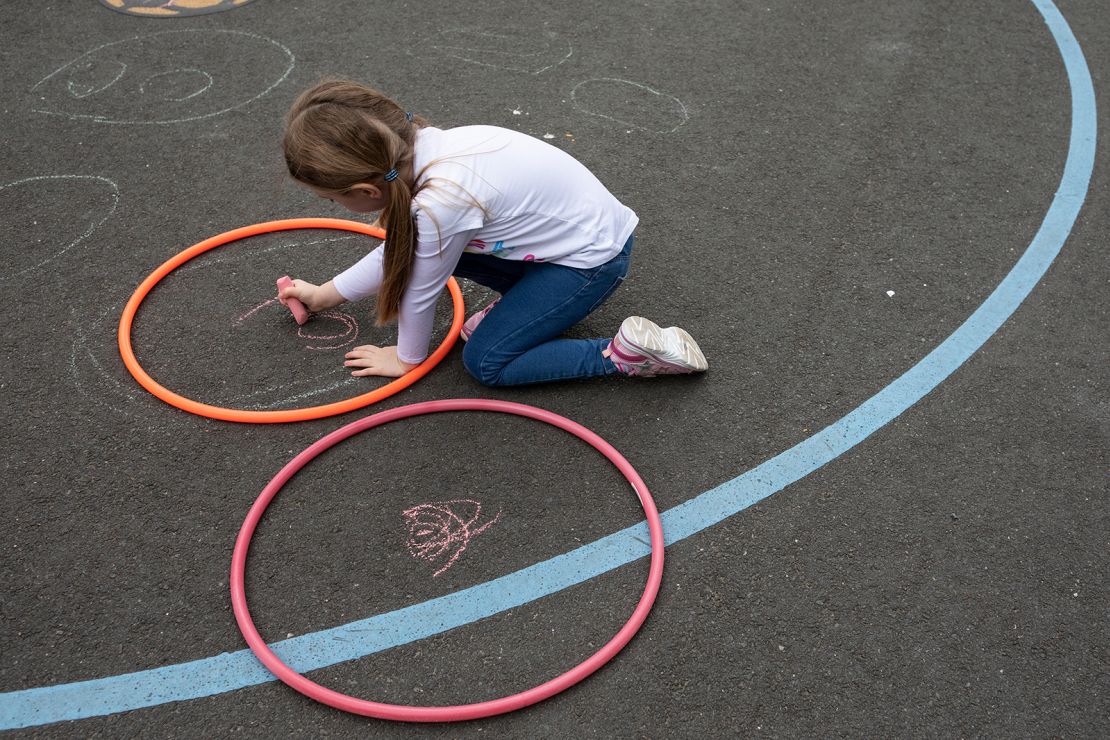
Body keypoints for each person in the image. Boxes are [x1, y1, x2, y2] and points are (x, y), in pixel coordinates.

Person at [279, 80, 708, 386]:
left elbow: (419, 290)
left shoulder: (440, 203)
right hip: (568, 243)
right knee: (420, 249)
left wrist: (406, 359)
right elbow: (400, 254)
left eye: (333, 200)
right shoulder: (428, 148)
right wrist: (324, 295)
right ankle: (523, 311)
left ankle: (623, 356)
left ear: (366, 190)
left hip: (591, 264)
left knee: (487, 363)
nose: (336, 207)